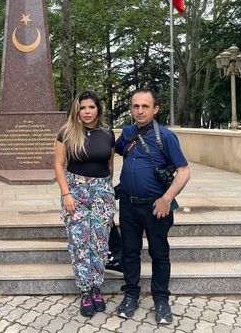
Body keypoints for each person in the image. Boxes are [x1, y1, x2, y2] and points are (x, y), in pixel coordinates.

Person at [114, 88, 190, 325]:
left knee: (159, 254)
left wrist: (167, 198)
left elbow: (184, 171)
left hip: (156, 207)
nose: (140, 110)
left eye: (145, 106)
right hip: (128, 205)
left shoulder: (165, 137)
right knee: (129, 252)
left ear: (155, 109)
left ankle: (161, 300)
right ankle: (131, 295)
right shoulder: (127, 133)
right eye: (135, 106)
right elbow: (110, 153)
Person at [54, 90, 116, 317]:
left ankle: (97, 288)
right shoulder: (66, 133)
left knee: (99, 243)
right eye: (83, 108)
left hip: (102, 193)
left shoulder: (108, 133)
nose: (87, 112)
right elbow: (59, 165)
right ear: (77, 110)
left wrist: (107, 191)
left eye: (91, 107)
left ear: (98, 109)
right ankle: (85, 291)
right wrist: (66, 194)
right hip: (75, 192)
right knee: (79, 243)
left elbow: (110, 164)